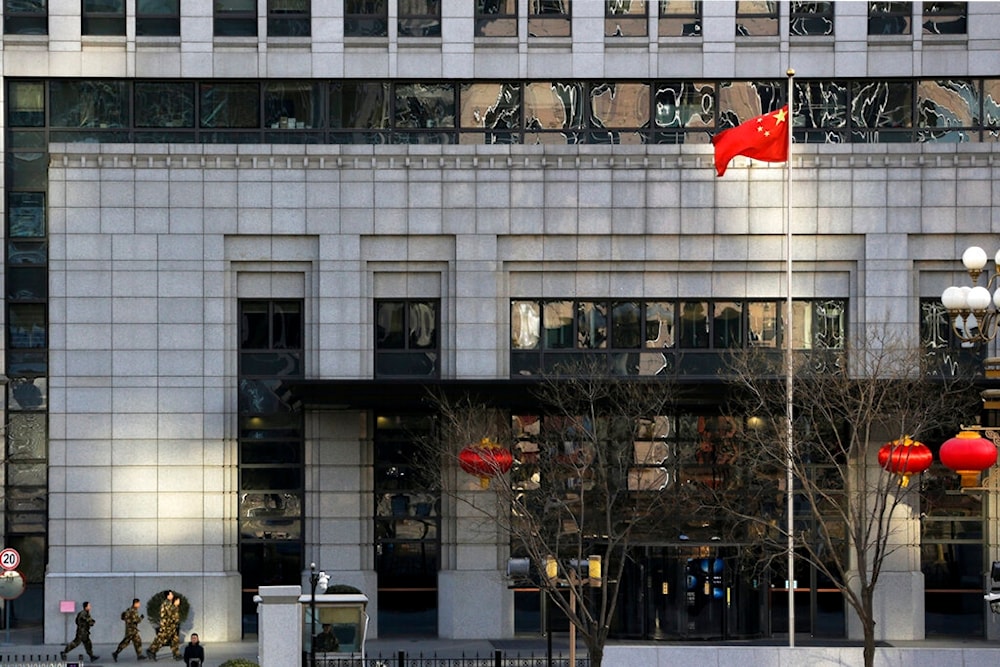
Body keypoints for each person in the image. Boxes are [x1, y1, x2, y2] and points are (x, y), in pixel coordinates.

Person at [146, 591, 182, 661]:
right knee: (161, 640)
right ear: (167, 596)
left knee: (174, 639)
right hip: (167, 626)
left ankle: (176, 654)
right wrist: (176, 605)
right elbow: (172, 614)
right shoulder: (167, 603)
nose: (172, 595)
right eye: (171, 594)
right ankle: (151, 651)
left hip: (171, 626)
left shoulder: (170, 603)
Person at [113, 598, 148, 662]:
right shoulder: (133, 611)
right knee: (125, 642)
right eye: (139, 603)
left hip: (132, 630)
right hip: (131, 630)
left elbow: (124, 617)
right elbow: (136, 621)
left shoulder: (129, 610)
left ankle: (139, 655)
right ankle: (116, 653)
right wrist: (141, 618)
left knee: (138, 641)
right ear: (136, 603)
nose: (139, 604)